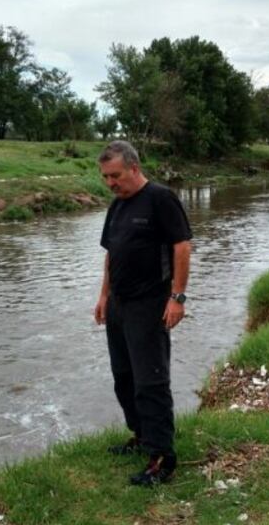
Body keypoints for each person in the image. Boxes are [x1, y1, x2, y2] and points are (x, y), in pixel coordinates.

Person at [94, 140, 192, 486]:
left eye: (115, 175)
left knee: (150, 380)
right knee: (124, 377)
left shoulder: (161, 199)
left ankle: (162, 457)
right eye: (105, 177)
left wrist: (177, 297)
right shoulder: (116, 205)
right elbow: (111, 252)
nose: (110, 182)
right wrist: (104, 295)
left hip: (150, 304)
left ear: (134, 168)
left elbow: (182, 245)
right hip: (119, 304)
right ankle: (140, 436)